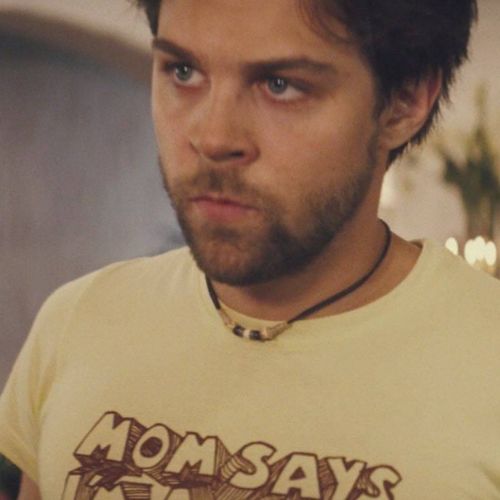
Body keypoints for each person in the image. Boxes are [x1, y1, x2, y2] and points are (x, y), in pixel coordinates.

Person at [1, 0, 498, 498]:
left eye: (280, 85)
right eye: (183, 71)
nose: (212, 137)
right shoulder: (79, 319)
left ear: (404, 102)